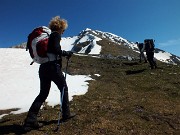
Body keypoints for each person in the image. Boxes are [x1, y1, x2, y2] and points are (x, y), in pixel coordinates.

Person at [23, 16, 75, 130]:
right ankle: (66, 114)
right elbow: (55, 50)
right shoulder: (55, 35)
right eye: (64, 29)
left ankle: (30, 120)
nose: (64, 32)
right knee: (63, 88)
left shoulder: (49, 36)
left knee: (43, 94)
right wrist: (65, 53)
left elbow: (51, 50)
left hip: (43, 68)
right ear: (60, 27)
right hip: (53, 67)